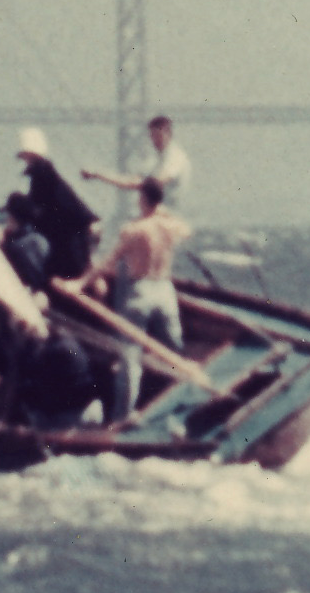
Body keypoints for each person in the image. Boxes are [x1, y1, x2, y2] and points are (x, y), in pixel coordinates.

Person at [88, 175, 191, 423]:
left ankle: (123, 417)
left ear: (142, 198)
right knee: (174, 348)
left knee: (130, 359)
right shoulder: (171, 226)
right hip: (165, 290)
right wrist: (159, 208)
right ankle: (183, 400)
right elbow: (186, 229)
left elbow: (107, 262)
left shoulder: (133, 230)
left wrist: (79, 284)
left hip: (140, 292)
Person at [12, 126, 100, 282]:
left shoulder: (41, 174)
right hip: (72, 234)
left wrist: (17, 204)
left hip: (70, 237)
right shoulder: (45, 173)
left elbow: (38, 209)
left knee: (64, 275)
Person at [81, 112, 192, 207]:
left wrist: (100, 175)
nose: (155, 140)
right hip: (158, 216)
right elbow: (131, 181)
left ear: (169, 134)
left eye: (159, 135)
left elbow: (154, 183)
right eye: (152, 135)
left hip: (172, 218)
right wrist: (98, 174)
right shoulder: (155, 160)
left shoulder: (175, 157)